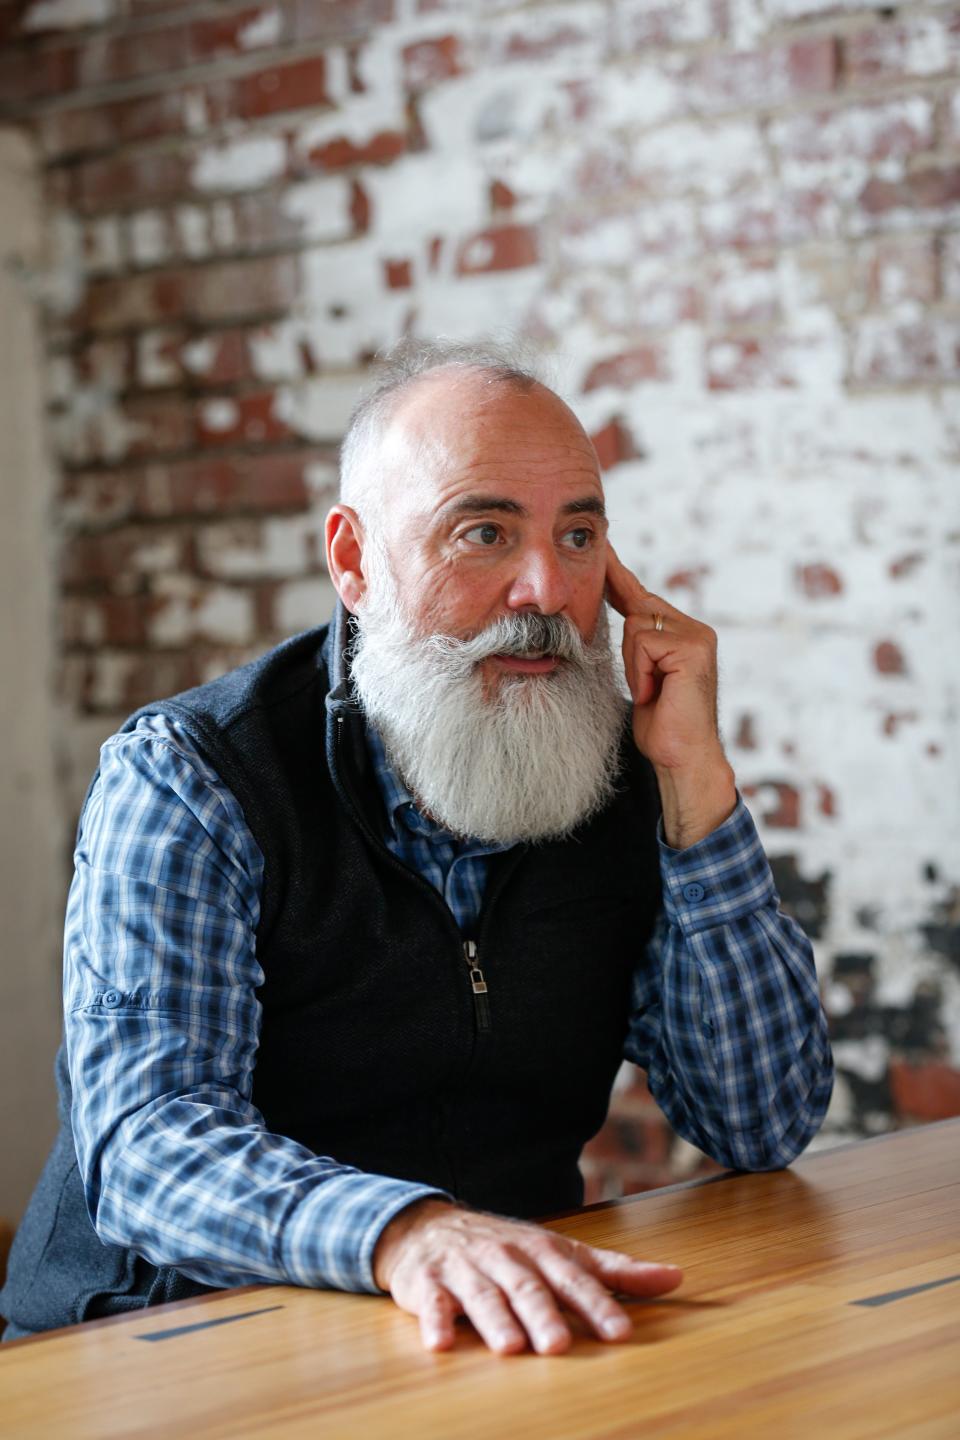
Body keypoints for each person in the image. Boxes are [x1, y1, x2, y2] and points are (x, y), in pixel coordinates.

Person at [1, 341, 833, 1353]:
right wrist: (405, 1233)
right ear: (353, 560)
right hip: (158, 1345)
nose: (544, 589)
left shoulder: (621, 759)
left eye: (579, 536)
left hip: (478, 1336)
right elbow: (147, 1142)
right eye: (484, 532)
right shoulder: (193, 775)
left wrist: (697, 788)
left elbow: (764, 1120)